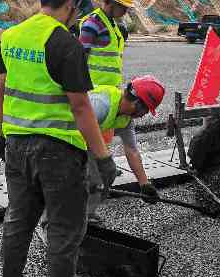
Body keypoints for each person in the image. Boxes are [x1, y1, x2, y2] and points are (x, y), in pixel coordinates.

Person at [0, 0, 118, 277]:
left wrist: (1, 133)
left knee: (18, 221)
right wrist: (103, 158)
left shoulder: (11, 36)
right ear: (73, 2)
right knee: (64, 229)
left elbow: (2, 88)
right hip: (58, 153)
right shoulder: (65, 43)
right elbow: (80, 107)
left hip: (16, 146)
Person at [36, 76, 165, 236]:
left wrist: (144, 184)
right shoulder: (101, 105)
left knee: (105, 174)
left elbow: (132, 150)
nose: (144, 115)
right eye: (146, 110)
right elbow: (69, 132)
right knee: (69, 178)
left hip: (81, 139)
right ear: (138, 104)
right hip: (56, 134)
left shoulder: (125, 118)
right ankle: (49, 224)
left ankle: (85, 215)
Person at [78, 0, 135, 87]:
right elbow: (80, 58)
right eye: (123, 7)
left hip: (109, 90)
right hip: (95, 90)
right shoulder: (93, 23)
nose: (125, 11)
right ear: (112, 3)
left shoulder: (112, 25)